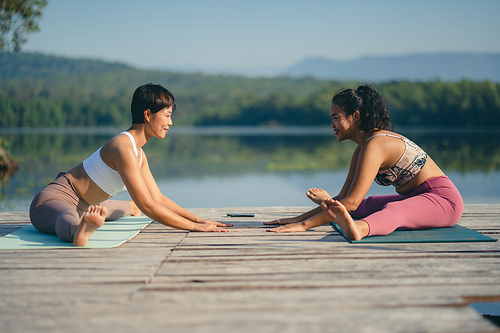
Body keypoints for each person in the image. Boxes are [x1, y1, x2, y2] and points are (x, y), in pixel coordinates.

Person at [30, 83, 232, 247]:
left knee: (123, 207)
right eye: (167, 115)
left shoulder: (139, 154)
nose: (170, 123)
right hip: (52, 201)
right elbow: (148, 206)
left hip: (87, 205)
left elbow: (157, 198)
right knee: (66, 216)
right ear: (147, 114)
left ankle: (124, 209)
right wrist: (193, 228)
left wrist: (199, 220)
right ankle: (77, 232)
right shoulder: (123, 147)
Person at [265, 85, 463, 241]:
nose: (332, 124)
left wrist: (304, 227)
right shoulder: (362, 148)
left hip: (443, 201)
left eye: (336, 118)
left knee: (393, 211)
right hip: (417, 198)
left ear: (356, 117)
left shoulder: (376, 145)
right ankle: (338, 214)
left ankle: (359, 230)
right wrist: (298, 218)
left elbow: (349, 203)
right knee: (364, 206)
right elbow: (345, 197)